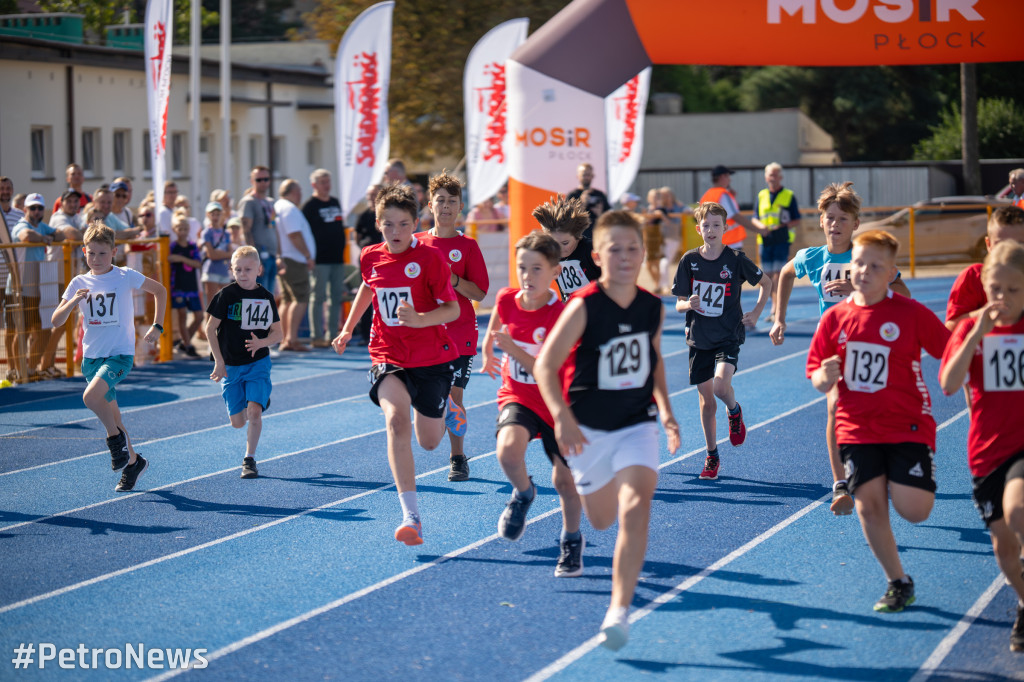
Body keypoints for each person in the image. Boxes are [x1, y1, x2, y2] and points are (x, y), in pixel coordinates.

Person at [534, 209, 680, 650]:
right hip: (589, 429)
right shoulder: (584, 305)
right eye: (614, 249)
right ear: (597, 255)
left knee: (637, 507)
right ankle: (598, 489)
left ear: (643, 254)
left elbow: (652, 360)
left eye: (632, 248)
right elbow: (545, 364)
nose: (624, 256)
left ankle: (618, 611)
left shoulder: (652, 306)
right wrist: (561, 416)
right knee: (600, 520)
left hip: (637, 424)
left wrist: (667, 412)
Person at [807, 229, 949, 613]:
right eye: (859, 263)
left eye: (876, 266)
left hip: (907, 424)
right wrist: (827, 374)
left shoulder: (912, 314)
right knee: (869, 506)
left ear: (892, 274)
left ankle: (903, 477)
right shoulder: (835, 318)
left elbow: (950, 349)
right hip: (857, 427)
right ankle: (897, 581)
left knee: (915, 511)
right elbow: (816, 376)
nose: (865, 271)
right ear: (849, 266)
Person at [771, 182, 911, 514]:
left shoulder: (866, 257)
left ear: (856, 224)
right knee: (835, 408)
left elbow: (904, 293)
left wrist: (861, 285)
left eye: (843, 219)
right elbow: (787, 274)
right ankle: (840, 483)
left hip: (869, 345)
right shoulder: (813, 257)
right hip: (832, 345)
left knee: (875, 409)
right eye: (830, 218)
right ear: (821, 221)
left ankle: (876, 466)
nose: (835, 225)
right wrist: (779, 318)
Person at [331, 184, 460, 545]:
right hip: (387, 353)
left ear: (416, 223)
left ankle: (448, 407)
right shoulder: (371, 256)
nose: (396, 232)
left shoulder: (431, 259)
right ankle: (411, 516)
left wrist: (420, 319)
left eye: (404, 224)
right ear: (378, 224)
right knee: (396, 421)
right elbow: (368, 288)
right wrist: (347, 327)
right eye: (388, 225)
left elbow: (452, 308)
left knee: (431, 442)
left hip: (432, 359)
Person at [483, 229, 585, 576]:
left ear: (555, 272)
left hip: (558, 404)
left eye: (537, 268)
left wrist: (512, 350)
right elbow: (498, 319)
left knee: (565, 483)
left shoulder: (562, 314)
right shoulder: (507, 299)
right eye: (522, 267)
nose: (528, 276)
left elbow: (549, 369)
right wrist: (487, 348)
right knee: (507, 452)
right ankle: (524, 493)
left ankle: (571, 540)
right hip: (519, 396)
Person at [939, 239, 1024, 652]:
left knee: (1019, 509)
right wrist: (977, 333)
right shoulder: (970, 331)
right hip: (987, 452)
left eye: (1014, 290)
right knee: (1005, 550)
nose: (1003, 299)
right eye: (995, 290)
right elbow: (949, 384)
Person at [51, 222, 166, 491]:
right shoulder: (79, 282)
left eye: (103, 254)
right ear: (83, 252)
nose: (97, 259)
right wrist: (72, 302)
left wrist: (157, 326)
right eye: (91, 254)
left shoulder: (125, 275)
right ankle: (133, 463)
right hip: (91, 358)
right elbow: (56, 320)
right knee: (114, 416)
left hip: (119, 356)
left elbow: (160, 291)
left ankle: (115, 444)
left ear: (114, 252)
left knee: (90, 398)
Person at [673, 201, 770, 480]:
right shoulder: (689, 261)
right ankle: (712, 455)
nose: (711, 230)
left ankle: (734, 410)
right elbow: (678, 304)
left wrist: (757, 312)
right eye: (706, 225)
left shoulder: (736, 260)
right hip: (699, 339)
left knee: (720, 385)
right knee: (706, 402)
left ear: (726, 228)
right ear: (698, 228)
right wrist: (688, 304)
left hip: (728, 335)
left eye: (717, 225)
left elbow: (767, 283)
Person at [415, 172, 488, 481]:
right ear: (430, 205)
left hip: (459, 336)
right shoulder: (416, 242)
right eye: (440, 201)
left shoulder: (467, 246)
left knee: (455, 399)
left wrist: (453, 279)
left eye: (452, 202)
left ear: (460, 207)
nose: (445, 207)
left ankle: (457, 457)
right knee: (432, 402)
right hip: (423, 337)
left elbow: (480, 293)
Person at [206, 246, 284, 479]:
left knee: (254, 413)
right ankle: (256, 400)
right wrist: (218, 362)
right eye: (238, 269)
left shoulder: (266, 298)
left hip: (257, 363)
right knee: (238, 422)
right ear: (231, 270)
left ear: (258, 270)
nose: (242, 274)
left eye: (248, 269)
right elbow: (210, 329)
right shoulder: (226, 295)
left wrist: (262, 343)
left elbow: (278, 334)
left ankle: (249, 460)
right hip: (230, 365)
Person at [9, 193, 64, 381]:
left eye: (40, 208)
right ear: (25, 209)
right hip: (22, 286)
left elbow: (61, 234)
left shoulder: (42, 226)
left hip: (40, 285)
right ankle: (19, 371)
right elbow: (26, 235)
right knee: (21, 331)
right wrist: (45, 238)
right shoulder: (22, 225)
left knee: (44, 330)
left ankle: (31, 370)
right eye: (33, 208)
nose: (37, 211)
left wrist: (49, 236)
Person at [946, 205, 1024, 332]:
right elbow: (951, 329)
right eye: (1001, 244)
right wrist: (987, 312)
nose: (1009, 251)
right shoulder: (973, 276)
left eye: (1018, 244)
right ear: (988, 245)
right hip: (983, 349)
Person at [302, 169, 349, 348]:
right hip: (319, 259)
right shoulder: (310, 206)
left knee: (336, 297)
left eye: (328, 181)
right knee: (318, 296)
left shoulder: (335, 202)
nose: (326, 185)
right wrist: (308, 256)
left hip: (337, 258)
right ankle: (316, 336)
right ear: (314, 185)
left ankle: (332, 334)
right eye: (322, 182)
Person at [751, 163, 800, 323]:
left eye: (776, 174)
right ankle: (772, 308)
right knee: (767, 277)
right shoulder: (761, 195)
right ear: (766, 177)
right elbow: (755, 218)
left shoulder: (788, 195)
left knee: (779, 275)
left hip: (781, 240)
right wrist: (761, 227)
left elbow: (796, 219)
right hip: (765, 240)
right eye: (770, 175)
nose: (773, 178)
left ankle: (776, 310)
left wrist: (782, 227)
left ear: (781, 177)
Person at [274, 179, 316, 352]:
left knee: (287, 299)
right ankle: (291, 339)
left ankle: (284, 338)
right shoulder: (289, 209)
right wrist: (307, 255)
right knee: (300, 298)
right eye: (299, 191)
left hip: (286, 257)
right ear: (292, 192)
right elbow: (294, 235)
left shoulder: (278, 207)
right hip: (294, 259)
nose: (301, 195)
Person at [534, 195, 601, 302]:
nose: (560, 249)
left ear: (576, 235)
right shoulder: (551, 256)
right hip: (572, 311)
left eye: (565, 243)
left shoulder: (592, 250)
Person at [351, 184, 384, 345]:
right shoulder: (363, 215)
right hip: (368, 260)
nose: (372, 198)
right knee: (365, 294)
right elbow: (357, 236)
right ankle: (366, 335)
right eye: (370, 194)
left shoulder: (388, 214)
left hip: (385, 258)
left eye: (375, 194)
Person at [168, 212, 203, 357]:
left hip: (191, 285)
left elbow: (197, 263)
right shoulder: (172, 246)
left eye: (184, 228)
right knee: (182, 315)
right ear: (174, 230)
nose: (182, 231)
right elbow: (169, 259)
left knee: (199, 316)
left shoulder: (192, 246)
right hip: (178, 286)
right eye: (179, 228)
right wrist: (177, 258)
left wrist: (181, 259)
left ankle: (185, 341)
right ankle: (188, 345)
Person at [239, 166, 280, 292]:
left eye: (266, 179)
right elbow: (246, 231)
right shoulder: (249, 202)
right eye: (259, 180)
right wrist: (254, 260)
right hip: (260, 255)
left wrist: (279, 255)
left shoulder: (271, 202)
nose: (263, 182)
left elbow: (274, 228)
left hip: (272, 255)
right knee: (258, 299)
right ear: (252, 181)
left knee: (269, 298)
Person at [699, 165, 757, 251]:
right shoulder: (723, 194)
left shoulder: (707, 195)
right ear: (722, 176)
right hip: (731, 242)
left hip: (712, 242)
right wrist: (758, 230)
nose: (730, 180)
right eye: (728, 176)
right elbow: (735, 216)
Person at [199, 201, 233, 313]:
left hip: (223, 270)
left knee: (226, 302)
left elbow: (230, 253)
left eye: (218, 214)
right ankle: (209, 329)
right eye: (212, 214)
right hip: (211, 270)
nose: (215, 217)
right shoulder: (206, 232)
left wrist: (219, 254)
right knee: (212, 304)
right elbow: (211, 255)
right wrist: (224, 255)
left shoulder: (226, 233)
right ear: (208, 215)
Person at [566, 163, 611, 240]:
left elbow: (608, 218)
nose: (586, 177)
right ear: (578, 176)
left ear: (592, 176)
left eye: (588, 175)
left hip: (597, 234)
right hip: (578, 237)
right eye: (584, 175)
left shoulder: (600, 194)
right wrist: (582, 204)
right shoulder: (572, 195)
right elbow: (567, 219)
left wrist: (600, 214)